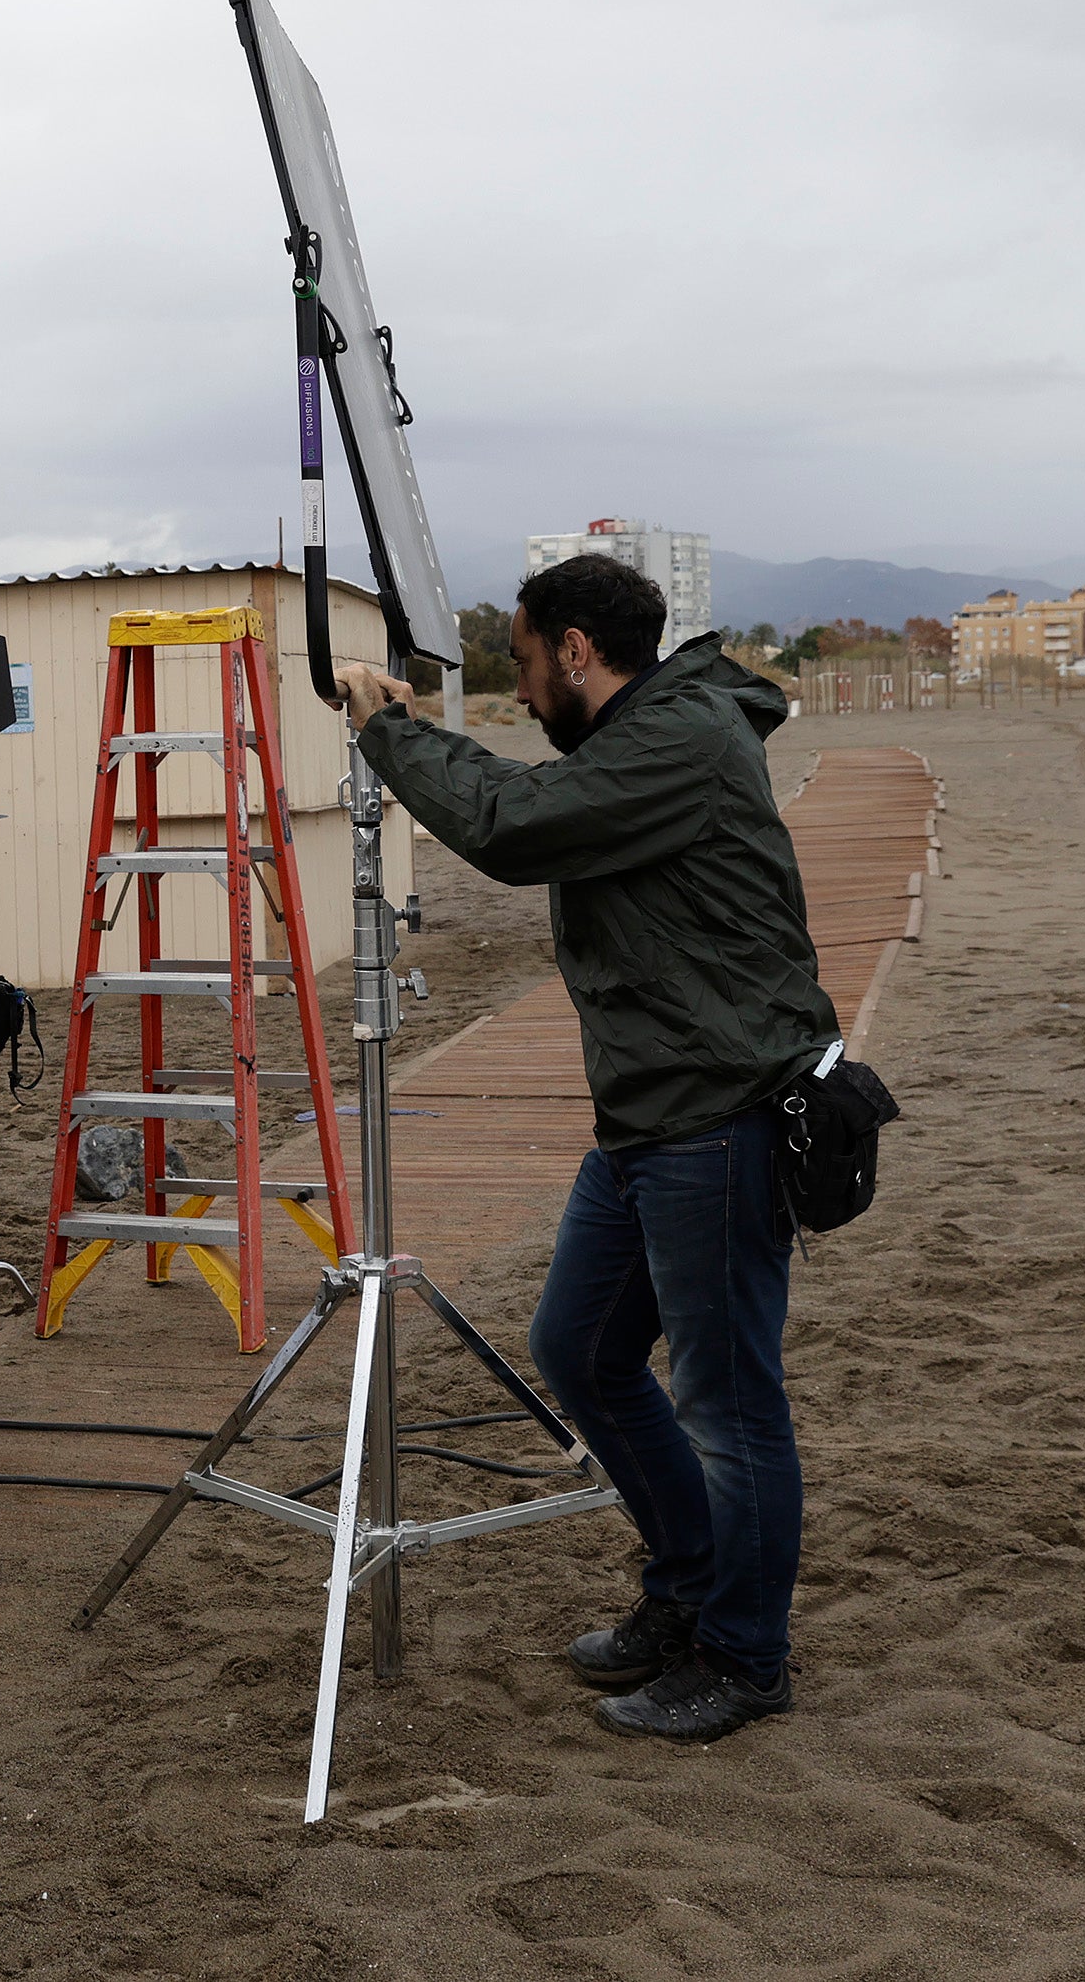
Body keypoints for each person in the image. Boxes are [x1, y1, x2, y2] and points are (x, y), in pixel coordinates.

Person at [333, 552, 838, 1745]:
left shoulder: (681, 741)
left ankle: (744, 1658)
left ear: (574, 648)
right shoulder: (647, 735)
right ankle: (687, 1588)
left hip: (717, 1112)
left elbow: (515, 826)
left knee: (726, 1402)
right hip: (654, 1113)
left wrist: (393, 736)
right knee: (582, 1347)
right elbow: (537, 803)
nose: (518, 688)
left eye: (520, 657)